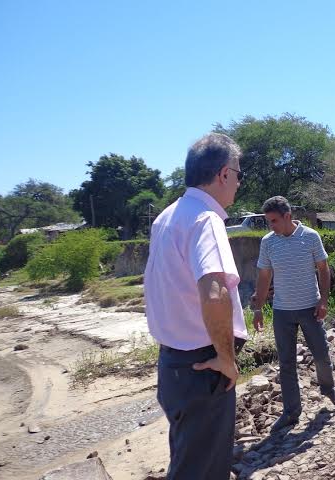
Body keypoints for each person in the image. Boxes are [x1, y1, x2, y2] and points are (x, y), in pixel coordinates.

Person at [144, 133, 248, 479]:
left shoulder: (166, 217)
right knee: (203, 470)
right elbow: (214, 293)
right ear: (223, 174)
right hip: (203, 367)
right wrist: (226, 358)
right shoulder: (206, 219)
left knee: (188, 462)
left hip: (173, 365)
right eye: (238, 174)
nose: (239, 183)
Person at [251, 195, 335, 432]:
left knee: (321, 354)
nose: (271, 226)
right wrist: (258, 308)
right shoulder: (268, 242)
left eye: (274, 221)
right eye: (268, 221)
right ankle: (291, 412)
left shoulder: (311, 236)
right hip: (282, 311)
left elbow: (323, 269)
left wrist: (323, 300)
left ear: (287, 216)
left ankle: (329, 389)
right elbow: (264, 276)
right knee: (286, 363)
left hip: (309, 308)